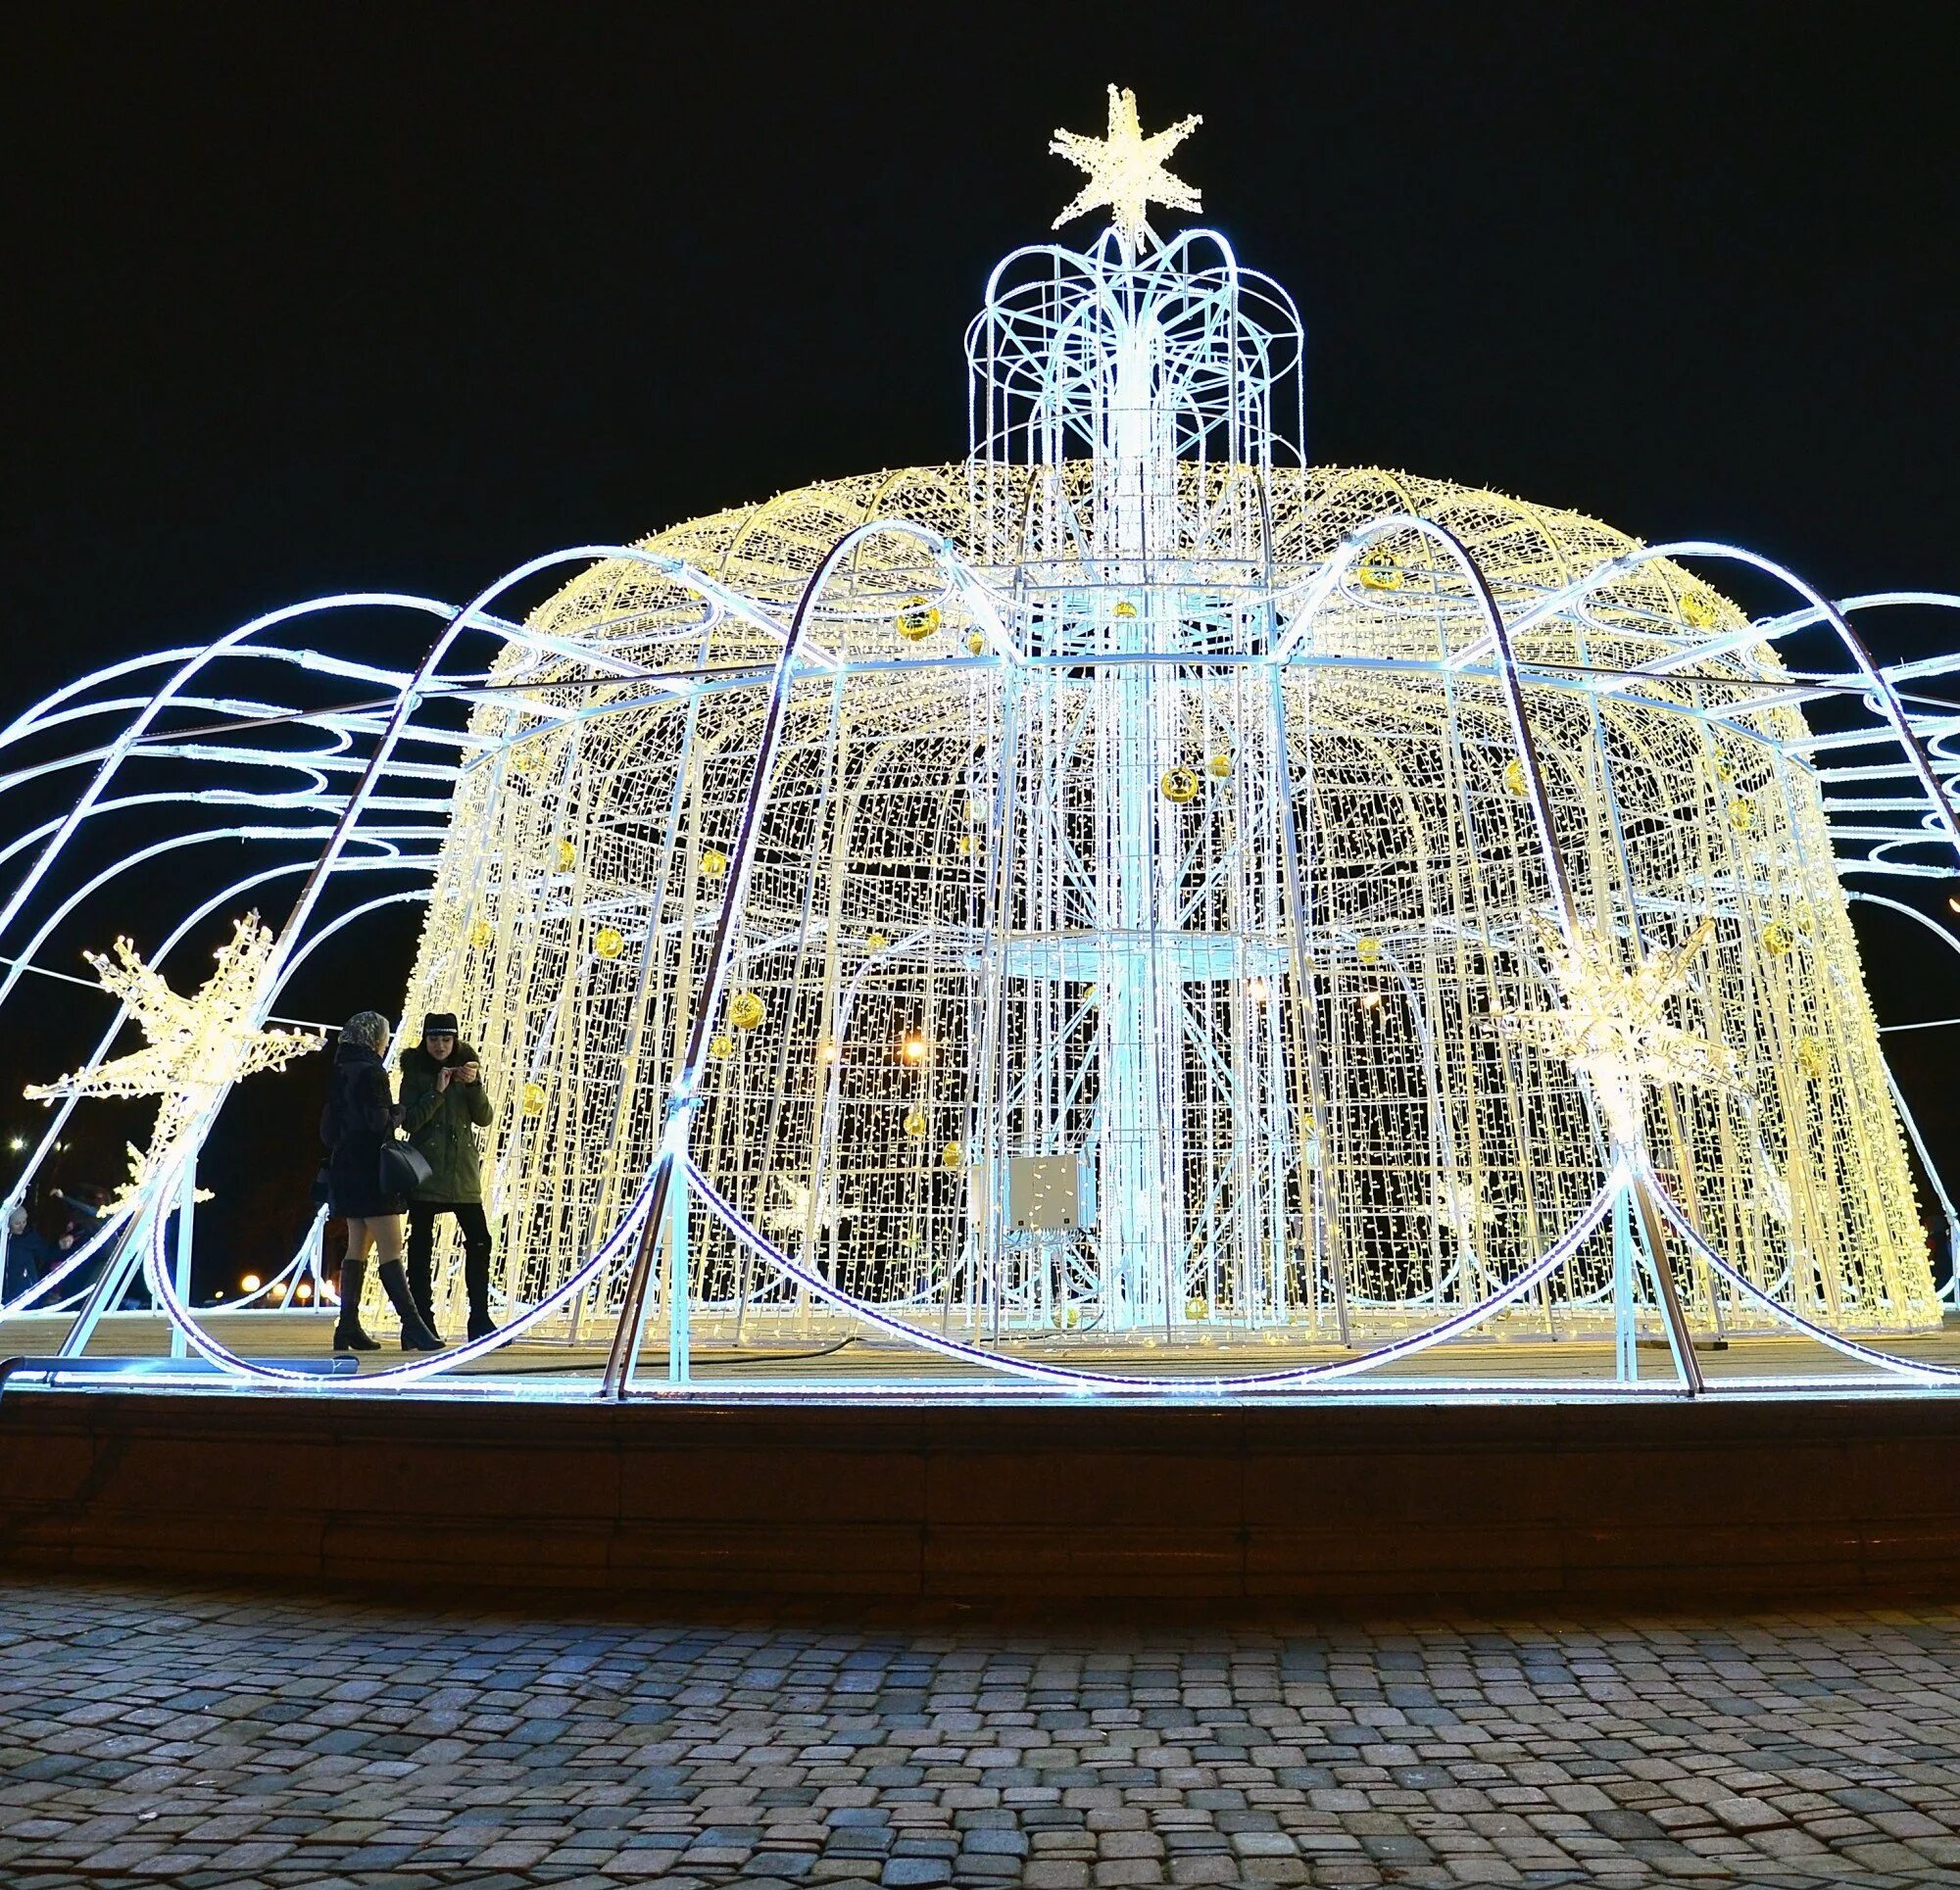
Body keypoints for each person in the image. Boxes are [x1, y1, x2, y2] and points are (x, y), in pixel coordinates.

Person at [320, 1011, 442, 1353]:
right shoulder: (372, 1072)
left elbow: (327, 1129)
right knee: (391, 1247)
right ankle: (413, 1326)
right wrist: (398, 1113)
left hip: (345, 1168)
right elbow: (378, 1123)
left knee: (357, 1246)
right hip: (372, 1170)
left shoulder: (339, 1070)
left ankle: (347, 1326)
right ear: (375, 1038)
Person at [399, 1010, 498, 1342]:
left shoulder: (467, 1069)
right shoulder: (415, 1071)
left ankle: (480, 1318)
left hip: (462, 1174)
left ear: (455, 1040)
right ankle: (420, 1322)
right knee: (421, 1248)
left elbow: (484, 1118)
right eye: (433, 1039)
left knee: (480, 1241)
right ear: (424, 1040)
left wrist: (474, 1085)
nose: (439, 1046)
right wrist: (437, 1093)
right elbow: (410, 1122)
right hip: (425, 1174)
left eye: (445, 1039)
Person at [2, 1204, 58, 1300]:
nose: (22, 1226)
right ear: (8, 1223)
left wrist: (60, 1246)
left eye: (24, 1221)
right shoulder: (3, 1239)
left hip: (25, 1293)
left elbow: (47, 1254)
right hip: (5, 1294)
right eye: (17, 1223)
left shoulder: (29, 1237)